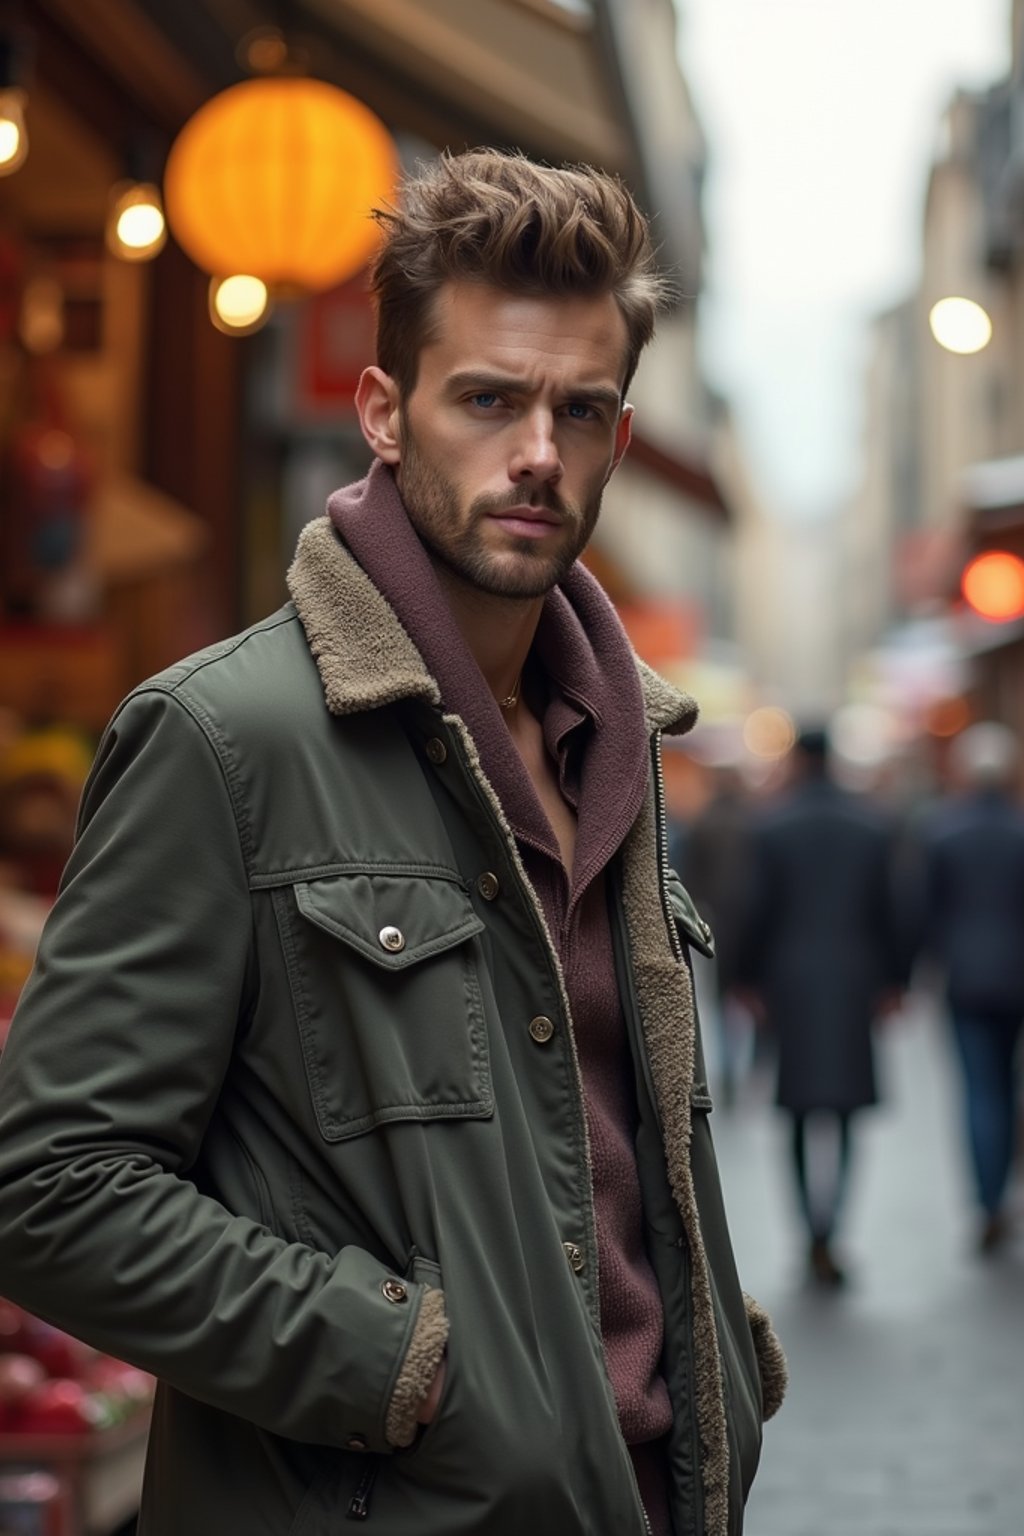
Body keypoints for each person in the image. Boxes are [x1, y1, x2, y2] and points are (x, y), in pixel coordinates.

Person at [0, 149, 785, 1536]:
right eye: (489, 399)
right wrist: (399, 1363)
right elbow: (52, 1190)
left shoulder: (618, 752)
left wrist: (711, 1340)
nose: (539, 451)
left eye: (581, 410)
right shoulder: (225, 738)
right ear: (383, 410)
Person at [739, 726, 904, 1287]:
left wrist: (746, 980)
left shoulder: (772, 827)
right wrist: (895, 981)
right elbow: (892, 910)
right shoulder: (871, 826)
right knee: (848, 1112)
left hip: (793, 983)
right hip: (855, 980)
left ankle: (810, 1229)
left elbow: (754, 909)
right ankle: (835, 1227)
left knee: (799, 1110)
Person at [914, 721, 1024, 1255]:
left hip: (965, 979)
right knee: (1006, 1085)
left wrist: (916, 971)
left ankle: (988, 1200)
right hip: (1016, 978)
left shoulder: (943, 831)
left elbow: (924, 911)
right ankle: (1001, 1186)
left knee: (980, 1091)